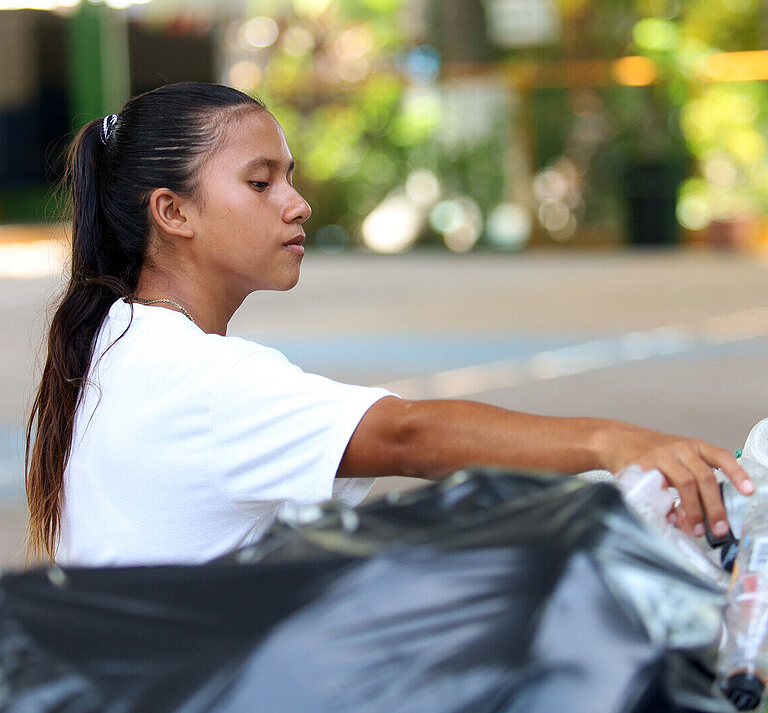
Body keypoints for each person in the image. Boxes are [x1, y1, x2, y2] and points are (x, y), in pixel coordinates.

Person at [26, 82, 753, 566]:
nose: (297, 202)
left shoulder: (119, 347)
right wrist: (613, 440)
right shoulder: (197, 379)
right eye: (260, 182)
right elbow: (407, 435)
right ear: (173, 212)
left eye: (290, 176)